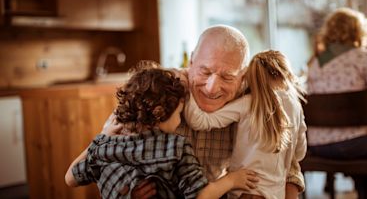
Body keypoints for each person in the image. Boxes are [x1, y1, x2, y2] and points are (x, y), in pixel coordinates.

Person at [102, 25, 305, 198]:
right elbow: (103, 156)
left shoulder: (252, 102)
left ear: (243, 76)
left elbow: (289, 161)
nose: (211, 88)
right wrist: (127, 191)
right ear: (191, 61)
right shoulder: (159, 91)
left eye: (227, 77)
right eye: (205, 71)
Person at [65, 61, 259, 199]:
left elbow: (70, 179)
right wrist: (232, 181)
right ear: (159, 112)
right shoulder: (175, 147)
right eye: (179, 114)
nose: (179, 122)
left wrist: (102, 138)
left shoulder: (107, 144)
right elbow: (200, 195)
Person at [184, 50, 307, 198]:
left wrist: (187, 87)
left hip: (243, 191)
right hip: (275, 194)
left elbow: (199, 121)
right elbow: (300, 153)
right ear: (285, 73)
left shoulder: (247, 103)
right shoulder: (296, 107)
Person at [306, 7, 367, 198]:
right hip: (358, 145)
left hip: (318, 146)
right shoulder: (366, 58)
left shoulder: (316, 63)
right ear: (359, 32)